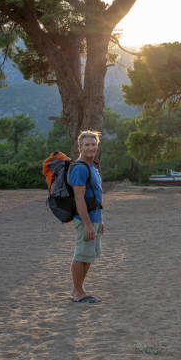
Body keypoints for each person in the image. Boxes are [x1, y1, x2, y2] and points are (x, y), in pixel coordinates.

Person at [70, 130, 104, 303]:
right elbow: (78, 198)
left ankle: (79, 289)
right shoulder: (80, 168)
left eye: (94, 144)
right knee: (81, 254)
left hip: (95, 218)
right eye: (87, 145)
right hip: (85, 220)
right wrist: (88, 224)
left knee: (88, 255)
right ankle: (77, 292)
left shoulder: (92, 166)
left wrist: (99, 221)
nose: (91, 148)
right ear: (80, 147)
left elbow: (96, 196)